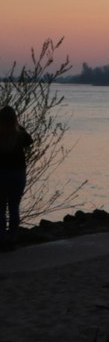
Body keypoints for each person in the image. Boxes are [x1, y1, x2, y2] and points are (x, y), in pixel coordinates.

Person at [0, 106, 35, 250]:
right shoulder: (20, 135)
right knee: (14, 206)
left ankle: (2, 239)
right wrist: (18, 125)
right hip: (18, 175)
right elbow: (30, 141)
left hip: (1, 175)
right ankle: (12, 237)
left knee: (0, 208)